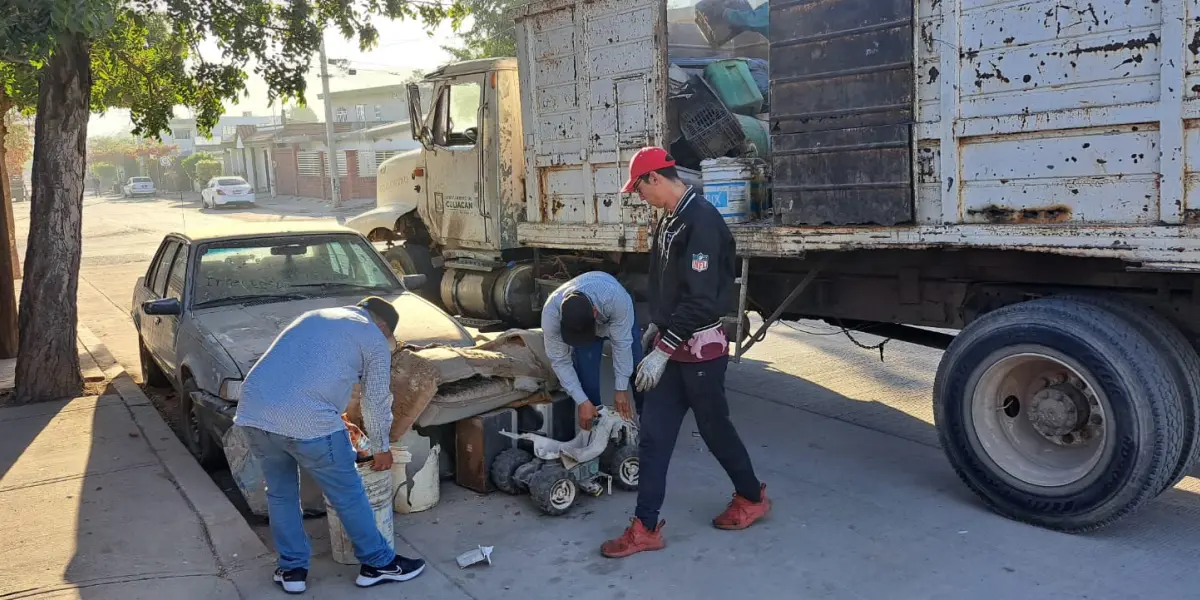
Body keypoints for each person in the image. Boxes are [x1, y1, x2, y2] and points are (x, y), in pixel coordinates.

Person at [601, 147, 770, 559]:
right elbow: (669, 287)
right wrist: (657, 327)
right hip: (672, 346)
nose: (640, 197)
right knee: (655, 440)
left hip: (700, 354)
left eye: (639, 189)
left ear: (655, 179)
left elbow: (700, 301)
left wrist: (663, 350)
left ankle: (752, 496)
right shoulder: (671, 219)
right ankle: (645, 528)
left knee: (716, 431)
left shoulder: (702, 222)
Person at [233, 297, 425, 593]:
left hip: (254, 413)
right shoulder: (373, 337)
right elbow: (374, 401)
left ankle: (292, 570)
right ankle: (379, 563)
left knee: (281, 494)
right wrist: (381, 447)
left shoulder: (313, 317)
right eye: (389, 337)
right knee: (347, 494)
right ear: (383, 326)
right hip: (309, 422)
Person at [541, 272, 644, 429]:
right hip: (591, 315)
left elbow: (621, 346)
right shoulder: (551, 315)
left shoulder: (615, 300)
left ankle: (647, 420)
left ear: (595, 312)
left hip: (614, 312)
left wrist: (621, 389)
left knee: (637, 369)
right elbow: (560, 360)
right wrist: (581, 401)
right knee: (587, 379)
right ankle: (597, 426)